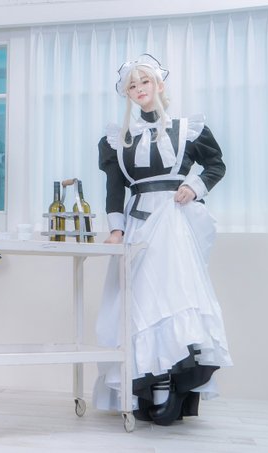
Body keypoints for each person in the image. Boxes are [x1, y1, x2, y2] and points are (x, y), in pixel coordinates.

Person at [93, 54, 233, 426]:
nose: (139, 89)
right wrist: (116, 229)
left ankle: (170, 383)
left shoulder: (188, 129)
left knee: (173, 297)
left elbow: (216, 164)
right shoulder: (116, 139)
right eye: (132, 85)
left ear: (159, 85)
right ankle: (149, 383)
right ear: (127, 93)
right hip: (138, 223)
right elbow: (114, 188)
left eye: (145, 82)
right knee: (139, 301)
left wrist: (194, 186)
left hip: (174, 222)